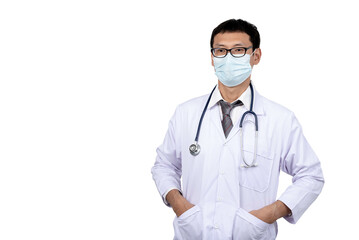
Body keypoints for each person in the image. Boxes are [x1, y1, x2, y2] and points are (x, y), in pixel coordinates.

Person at [151, 18, 324, 240]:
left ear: (256, 56)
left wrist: (269, 214)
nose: (229, 57)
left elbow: (311, 175)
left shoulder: (280, 119)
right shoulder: (186, 113)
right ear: (212, 58)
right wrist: (178, 204)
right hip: (193, 233)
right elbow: (164, 165)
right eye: (221, 51)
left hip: (251, 234)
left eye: (239, 50)